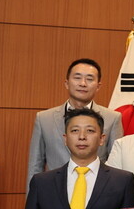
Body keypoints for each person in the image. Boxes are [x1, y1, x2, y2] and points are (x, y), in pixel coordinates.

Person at [26, 58, 122, 187]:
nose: (83, 83)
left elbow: (115, 164)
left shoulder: (112, 118)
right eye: (77, 78)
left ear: (98, 86)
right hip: (54, 193)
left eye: (89, 79)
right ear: (66, 83)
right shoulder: (44, 119)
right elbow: (35, 166)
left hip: (96, 194)